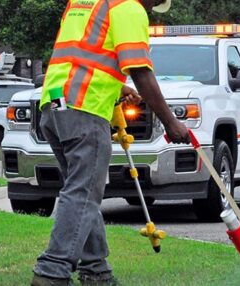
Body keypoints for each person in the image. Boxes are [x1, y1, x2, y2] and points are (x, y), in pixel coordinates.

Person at [31, 0, 190, 285]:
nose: (153, 8)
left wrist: (118, 87)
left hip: (54, 106)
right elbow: (141, 70)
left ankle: (96, 271)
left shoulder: (86, 2)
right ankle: (51, 272)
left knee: (82, 193)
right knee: (82, 194)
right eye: (156, 3)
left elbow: (82, 58)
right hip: (85, 110)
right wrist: (171, 122)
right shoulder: (128, 8)